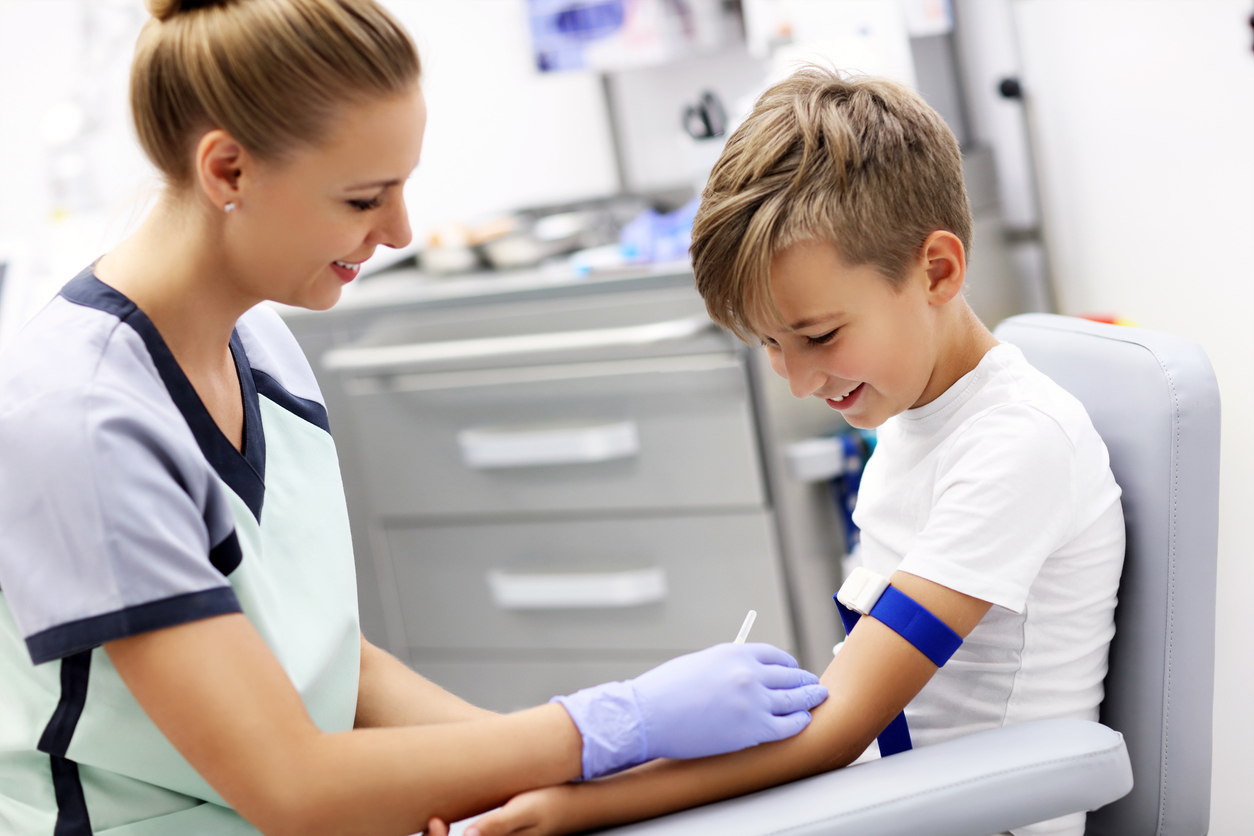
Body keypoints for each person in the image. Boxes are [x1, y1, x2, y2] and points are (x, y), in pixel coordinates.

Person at [0, 2, 830, 834]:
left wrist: (552, 776)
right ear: (227, 171)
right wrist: (606, 726)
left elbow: (324, 670)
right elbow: (290, 786)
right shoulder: (79, 422)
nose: (398, 232)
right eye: (365, 198)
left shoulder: (262, 348)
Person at [460, 68, 1126, 836]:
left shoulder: (1014, 444)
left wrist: (578, 802)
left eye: (818, 337)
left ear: (937, 270)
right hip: (900, 793)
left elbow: (840, 727)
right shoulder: (921, 411)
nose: (800, 378)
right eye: (771, 345)